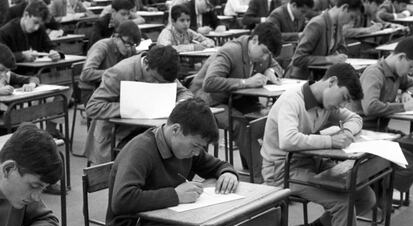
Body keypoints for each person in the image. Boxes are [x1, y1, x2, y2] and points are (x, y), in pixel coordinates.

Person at [106, 98, 260, 226]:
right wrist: (175, 195)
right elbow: (122, 200)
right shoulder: (141, 149)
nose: (197, 153)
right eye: (195, 146)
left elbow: (217, 165)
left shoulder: (185, 147)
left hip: (174, 221)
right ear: (176, 130)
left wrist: (228, 173)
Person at [261, 63, 387, 226]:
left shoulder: (326, 102)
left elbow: (355, 117)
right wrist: (331, 139)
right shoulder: (292, 100)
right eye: (343, 98)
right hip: (283, 172)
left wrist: (347, 133)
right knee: (342, 202)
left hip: (310, 163)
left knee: (365, 197)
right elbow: (288, 140)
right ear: (331, 82)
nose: (342, 105)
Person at [190, 22, 283, 182]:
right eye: (265, 52)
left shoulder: (262, 53)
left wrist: (270, 71)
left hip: (236, 99)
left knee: (267, 120)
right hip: (208, 102)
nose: (266, 57)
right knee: (241, 124)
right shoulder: (231, 51)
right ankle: (263, 179)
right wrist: (245, 82)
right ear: (254, 40)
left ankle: (254, 166)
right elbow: (210, 82)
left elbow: (277, 67)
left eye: (269, 54)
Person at [85, 45, 193, 164]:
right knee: (152, 153)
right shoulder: (119, 72)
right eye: (154, 78)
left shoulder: (163, 71)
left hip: (148, 128)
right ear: (146, 63)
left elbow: (184, 92)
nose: (157, 84)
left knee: (182, 144)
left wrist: (180, 104)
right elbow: (92, 107)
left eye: (162, 83)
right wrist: (129, 107)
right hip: (117, 134)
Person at [0, 123, 62, 226]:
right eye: (34, 186)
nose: (36, 197)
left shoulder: (19, 195)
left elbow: (48, 221)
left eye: (42, 189)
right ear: (8, 169)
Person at [353, 37, 413, 194]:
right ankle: (378, 191)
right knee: (409, 162)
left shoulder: (397, 72)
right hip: (363, 132)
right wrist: (403, 106)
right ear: (401, 57)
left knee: (411, 147)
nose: (410, 71)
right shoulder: (374, 73)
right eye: (410, 66)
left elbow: (411, 83)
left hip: (381, 131)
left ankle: (380, 188)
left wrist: (407, 92)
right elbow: (370, 107)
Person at [286, 0, 363, 80]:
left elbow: (342, 48)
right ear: (344, 8)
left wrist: (339, 55)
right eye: (351, 17)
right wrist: (328, 59)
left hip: (321, 76)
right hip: (301, 78)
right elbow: (298, 59)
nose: (350, 22)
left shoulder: (338, 24)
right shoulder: (317, 24)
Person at [80, 20, 141, 91]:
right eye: (127, 43)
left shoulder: (130, 48)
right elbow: (86, 74)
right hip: (91, 90)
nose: (129, 49)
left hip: (113, 88)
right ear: (116, 36)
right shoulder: (101, 47)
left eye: (132, 45)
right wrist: (114, 73)